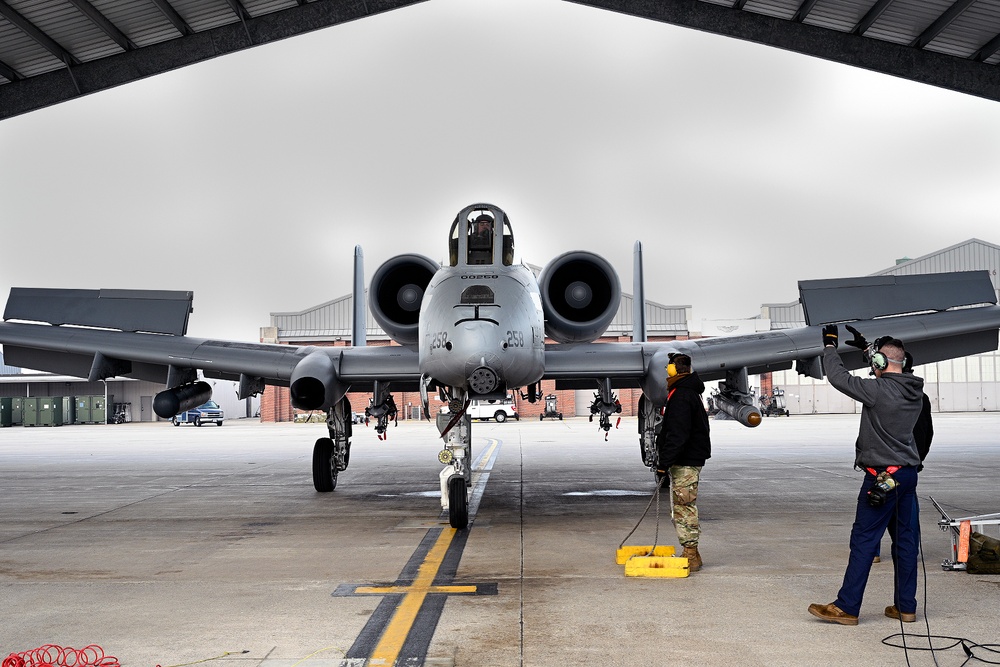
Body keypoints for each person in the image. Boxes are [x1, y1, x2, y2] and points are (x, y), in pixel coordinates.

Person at [808, 326, 924, 625]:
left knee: (864, 541)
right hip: (907, 475)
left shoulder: (878, 391)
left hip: (881, 479)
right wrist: (868, 351)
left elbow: (839, 378)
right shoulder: (915, 392)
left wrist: (830, 347)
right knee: (906, 543)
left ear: (882, 365)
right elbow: (885, 370)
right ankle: (905, 607)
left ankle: (847, 606)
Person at [654, 353, 711, 572]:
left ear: (673, 369)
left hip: (685, 461)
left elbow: (677, 434)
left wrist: (663, 463)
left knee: (684, 509)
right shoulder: (685, 392)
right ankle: (692, 553)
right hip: (687, 459)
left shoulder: (682, 395)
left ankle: (690, 554)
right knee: (682, 507)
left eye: (668, 366)